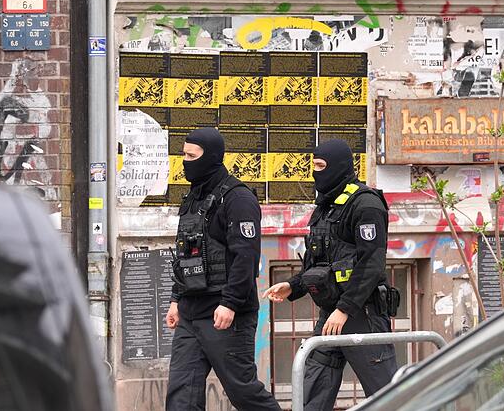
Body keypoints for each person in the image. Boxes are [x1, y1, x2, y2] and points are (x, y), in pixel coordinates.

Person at [263, 139, 399, 411]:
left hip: (363, 314)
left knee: (387, 397)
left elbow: (371, 264)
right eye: (313, 166)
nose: (316, 172)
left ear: (338, 166)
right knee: (311, 391)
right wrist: (293, 286)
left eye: (321, 166)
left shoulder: (366, 204)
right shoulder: (326, 207)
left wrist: (345, 309)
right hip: (332, 315)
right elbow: (319, 264)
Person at [165, 127, 281, 411]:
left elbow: (246, 257)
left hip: (225, 314)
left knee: (244, 394)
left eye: (192, 156)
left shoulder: (238, 198)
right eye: (184, 155)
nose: (185, 161)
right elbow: (186, 253)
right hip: (191, 313)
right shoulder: (193, 198)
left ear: (212, 157)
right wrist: (175, 299)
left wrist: (229, 303)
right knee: (181, 397)